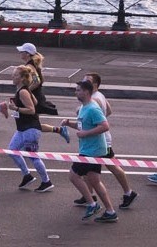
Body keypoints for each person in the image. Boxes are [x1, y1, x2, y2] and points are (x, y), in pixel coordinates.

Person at [2, 64, 67, 192]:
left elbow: (32, 110)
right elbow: (35, 103)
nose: (12, 77)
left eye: (15, 75)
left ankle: (46, 181)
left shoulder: (23, 91)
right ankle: (27, 175)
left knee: (33, 157)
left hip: (30, 129)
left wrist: (16, 108)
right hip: (23, 129)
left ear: (21, 78)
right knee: (12, 151)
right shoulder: (24, 90)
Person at [60, 79, 117, 223]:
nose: (76, 92)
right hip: (90, 149)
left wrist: (85, 134)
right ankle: (110, 211)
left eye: (78, 90)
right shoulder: (83, 107)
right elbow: (82, 126)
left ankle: (92, 204)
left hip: (92, 151)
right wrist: (68, 123)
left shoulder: (92, 108)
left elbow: (104, 126)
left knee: (73, 176)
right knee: (95, 181)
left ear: (86, 92)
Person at [78, 73, 135, 210]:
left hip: (99, 141)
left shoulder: (94, 100)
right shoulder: (100, 95)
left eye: (88, 81)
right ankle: (90, 195)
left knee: (105, 167)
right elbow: (109, 110)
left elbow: (102, 119)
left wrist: (89, 126)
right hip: (100, 139)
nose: (84, 83)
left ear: (95, 85)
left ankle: (127, 193)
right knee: (92, 168)